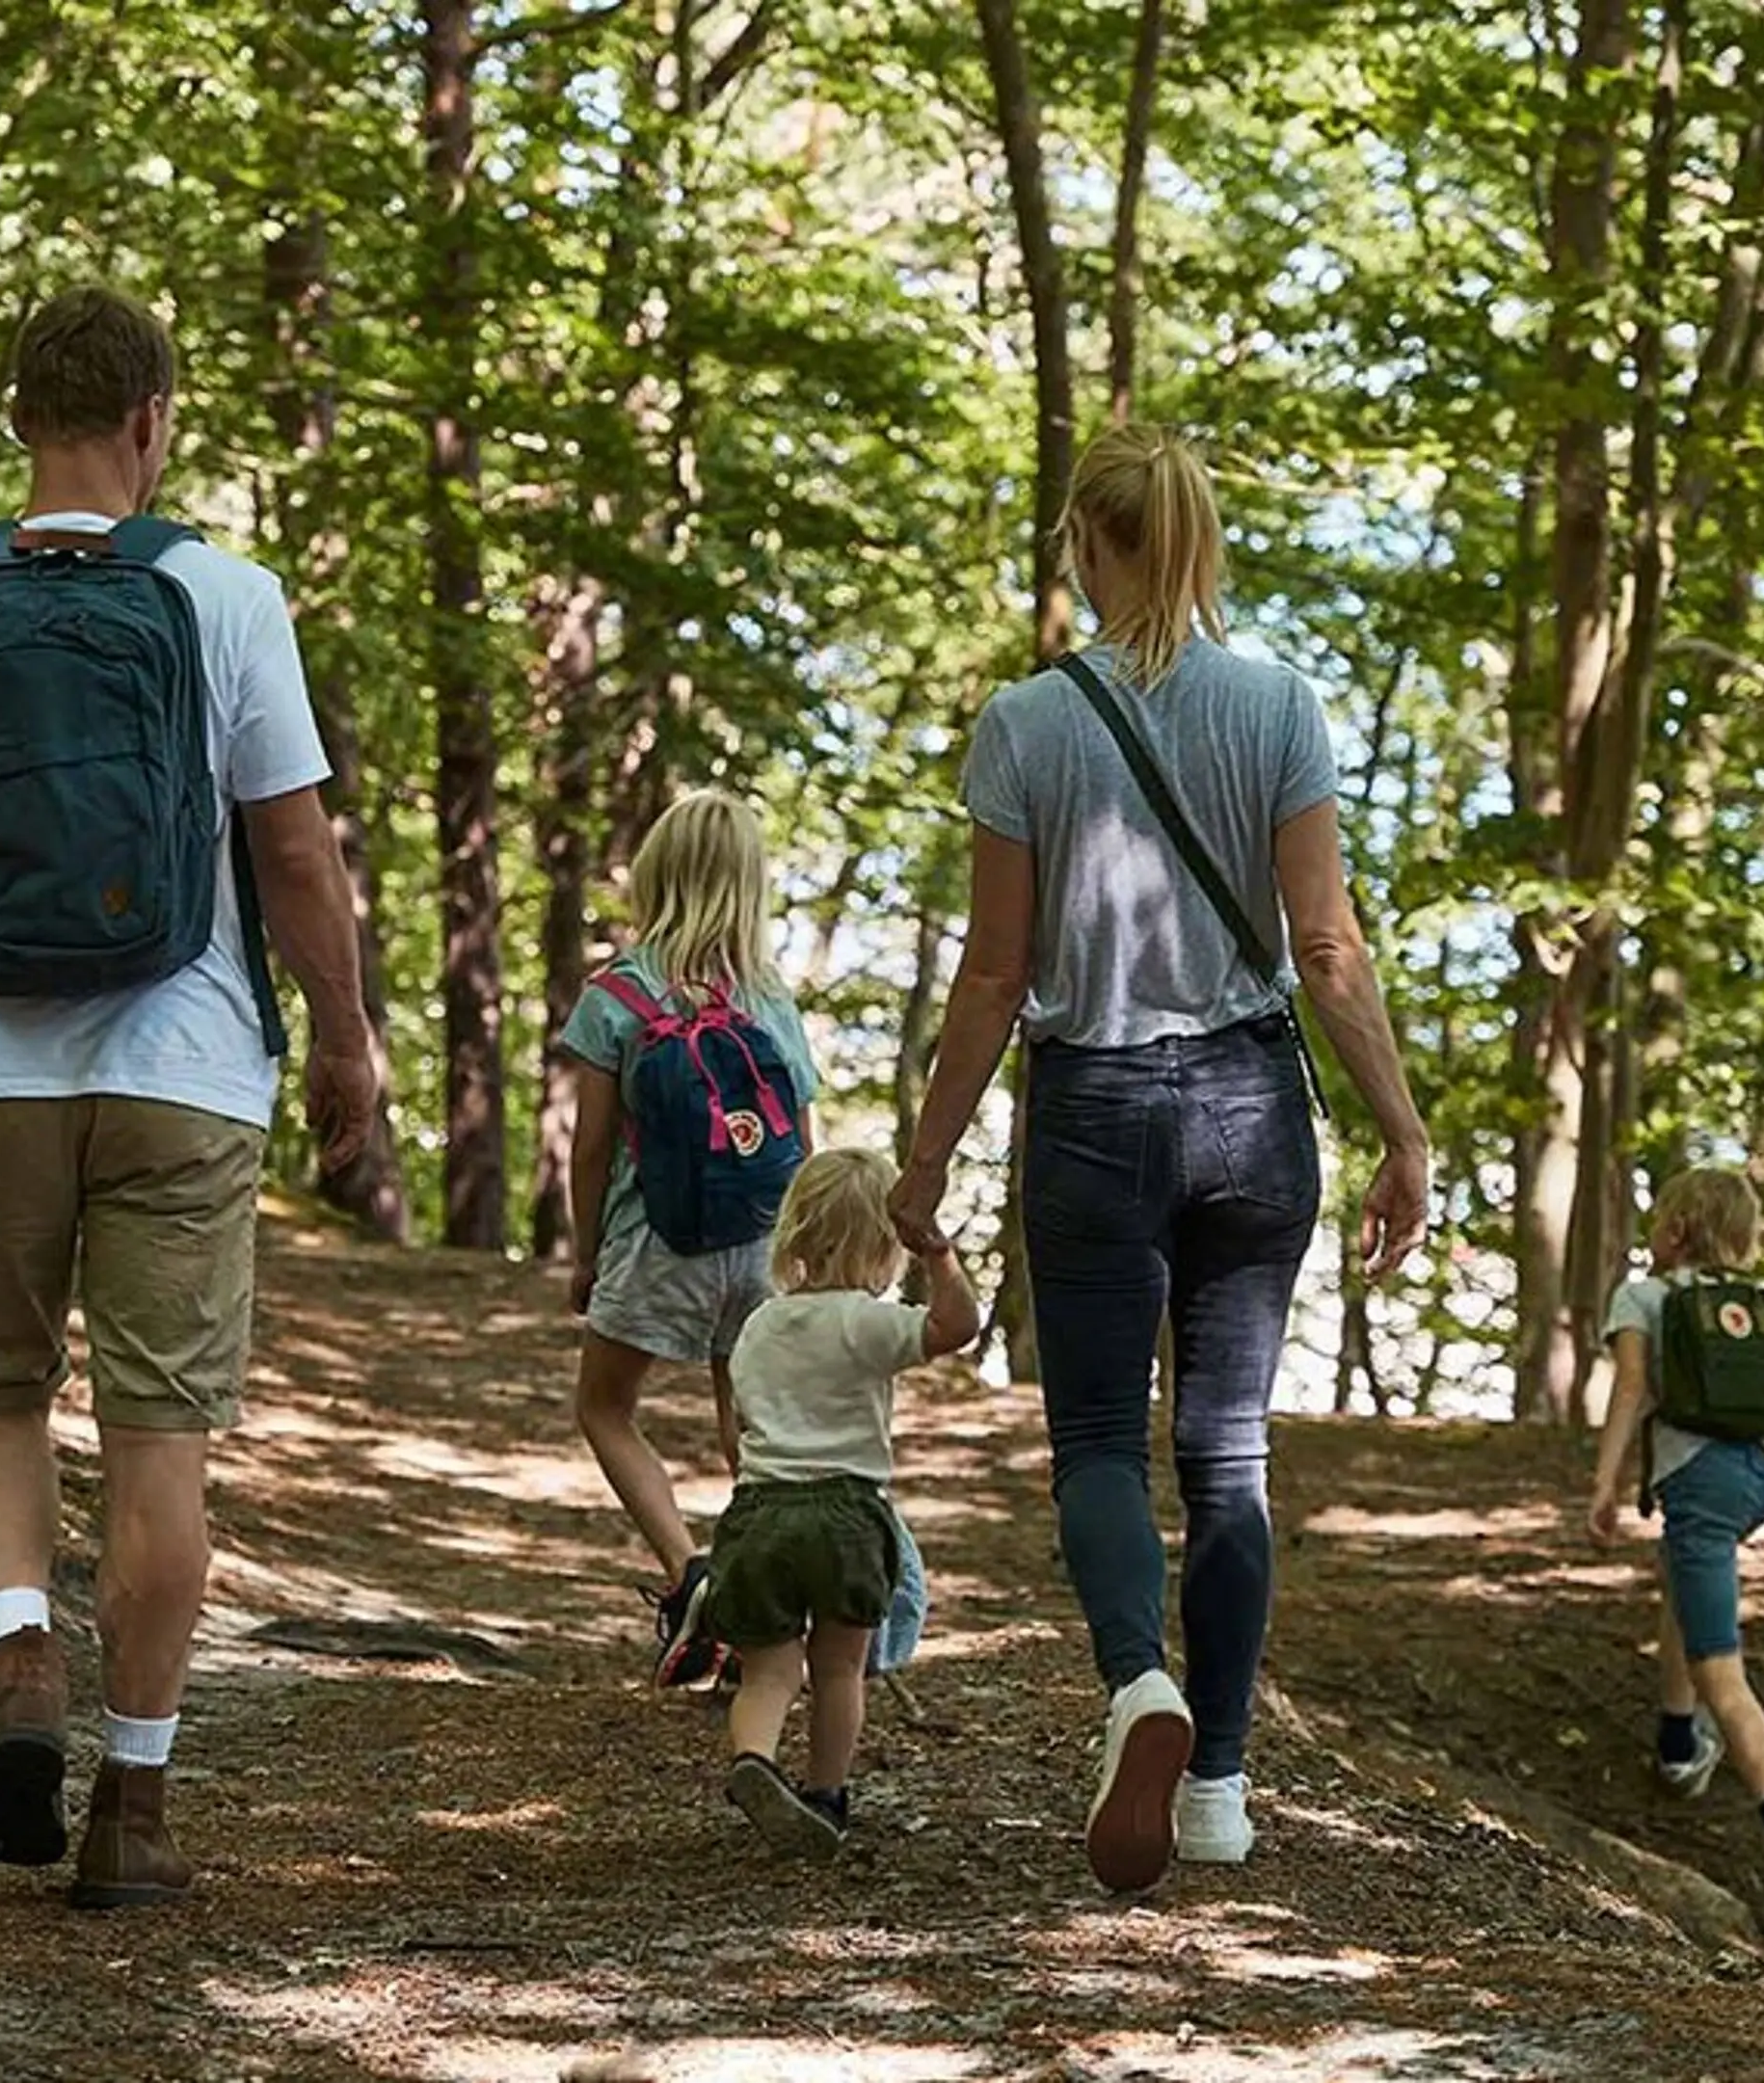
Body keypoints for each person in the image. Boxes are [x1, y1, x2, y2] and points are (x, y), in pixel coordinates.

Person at [0, 286, 378, 1910]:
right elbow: (293, 851)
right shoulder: (223, 597)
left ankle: (19, 1659)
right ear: (149, 423)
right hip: (186, 1073)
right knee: (157, 1437)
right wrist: (344, 1042)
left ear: (16, 422)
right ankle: (133, 1793)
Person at [892, 422, 1430, 1894]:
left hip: (1092, 1112)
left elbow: (993, 977)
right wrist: (1399, 1128)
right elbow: (1323, 945)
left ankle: (1138, 1684)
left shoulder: (1024, 722)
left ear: (1084, 542)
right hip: (1253, 1107)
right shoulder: (1279, 706)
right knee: (1228, 1452)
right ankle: (1220, 1788)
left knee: (1091, 1446)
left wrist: (922, 1166)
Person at [559, 790, 819, 1687]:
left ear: (655, 877)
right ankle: (765, 1612)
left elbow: (590, 1146)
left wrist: (585, 1252)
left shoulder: (616, 995)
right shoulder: (771, 1002)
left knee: (603, 1408)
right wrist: (806, 1263)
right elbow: (804, 1149)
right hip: (759, 1245)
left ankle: (690, 1572)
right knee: (749, 1427)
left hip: (656, 1242)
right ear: (750, 887)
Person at [1588, 1166, 1764, 1951]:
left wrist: (1602, 1484)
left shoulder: (1646, 1297)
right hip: (1762, 1477)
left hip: (1697, 1485)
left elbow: (1630, 1390)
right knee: (1680, 1573)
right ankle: (1676, 1743)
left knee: (1720, 1670)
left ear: (1671, 1231)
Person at [708, 1150, 979, 1858]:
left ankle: (755, 1758)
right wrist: (941, 1256)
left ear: (795, 1232)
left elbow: (736, 1429)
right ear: (886, 1246)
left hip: (759, 1511)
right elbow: (957, 1327)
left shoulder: (760, 1325)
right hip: (846, 1516)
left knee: (769, 1668)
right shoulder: (864, 1321)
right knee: (837, 1669)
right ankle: (825, 1795)